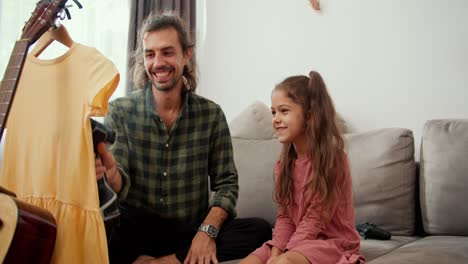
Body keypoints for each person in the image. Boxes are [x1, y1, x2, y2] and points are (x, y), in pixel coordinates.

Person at [94, 12, 271, 264]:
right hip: (135, 229)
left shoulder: (211, 114)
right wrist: (111, 175)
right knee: (102, 226)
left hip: (188, 231)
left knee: (259, 229)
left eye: (167, 52)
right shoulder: (120, 111)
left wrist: (206, 232)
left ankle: (164, 261)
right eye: (150, 54)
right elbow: (118, 179)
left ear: (187, 54)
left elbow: (226, 184)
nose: (158, 63)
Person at [240, 71, 365, 264]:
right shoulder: (283, 166)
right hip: (298, 240)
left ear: (309, 115)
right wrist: (275, 252)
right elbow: (285, 218)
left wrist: (283, 255)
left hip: (331, 243)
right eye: (273, 112)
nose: (275, 119)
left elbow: (315, 220)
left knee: (284, 263)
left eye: (284, 111)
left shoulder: (333, 160)